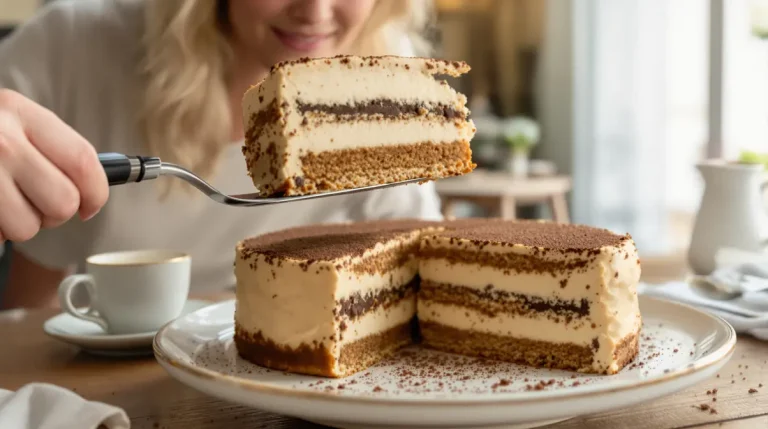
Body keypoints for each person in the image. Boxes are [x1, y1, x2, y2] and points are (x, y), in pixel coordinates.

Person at [0, 0, 442, 309]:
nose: (316, 12)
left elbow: (416, 264)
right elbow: (32, 296)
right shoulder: (70, 46)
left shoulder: (380, 69)